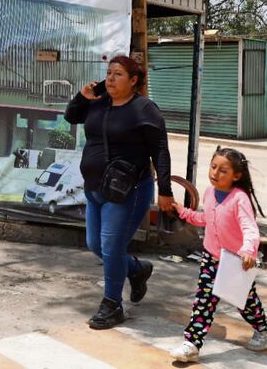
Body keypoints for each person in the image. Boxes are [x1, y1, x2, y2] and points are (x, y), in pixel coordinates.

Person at [65, 54, 175, 329]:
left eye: (118, 74)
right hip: (95, 188)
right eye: (109, 73)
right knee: (96, 245)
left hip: (128, 190)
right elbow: (71, 116)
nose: (111, 79)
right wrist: (82, 96)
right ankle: (137, 269)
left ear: (134, 80)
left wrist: (165, 190)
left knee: (112, 247)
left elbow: (160, 150)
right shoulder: (98, 102)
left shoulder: (144, 109)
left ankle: (112, 305)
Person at [169, 147, 267, 362]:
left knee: (245, 302)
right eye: (213, 167)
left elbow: (250, 228)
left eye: (223, 170)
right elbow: (206, 219)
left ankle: (264, 330)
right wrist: (184, 212)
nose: (215, 173)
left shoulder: (239, 199)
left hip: (236, 262)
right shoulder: (209, 192)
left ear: (236, 175)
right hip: (211, 258)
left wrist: (248, 251)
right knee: (203, 301)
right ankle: (192, 344)